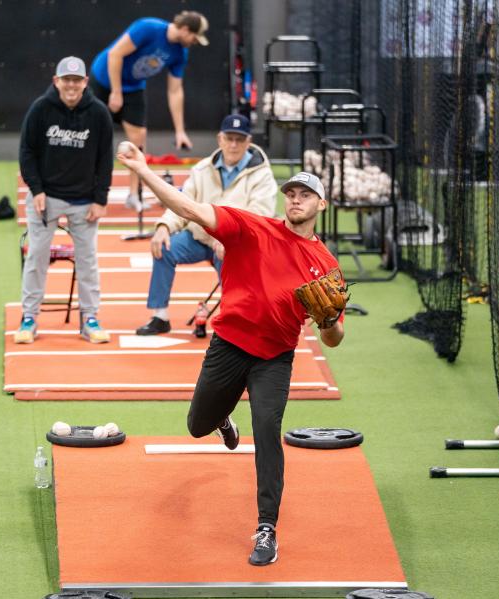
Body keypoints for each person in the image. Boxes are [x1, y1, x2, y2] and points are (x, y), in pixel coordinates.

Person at [119, 141, 345, 566]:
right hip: (228, 346)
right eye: (291, 193)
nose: (296, 200)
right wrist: (143, 169)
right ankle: (222, 417)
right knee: (197, 425)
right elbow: (190, 209)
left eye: (305, 195)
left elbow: (333, 339)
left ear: (322, 203)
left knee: (267, 428)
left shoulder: (327, 265)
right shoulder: (252, 227)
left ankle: (266, 528)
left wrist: (330, 321)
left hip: (274, 358)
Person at [136, 114, 278, 335]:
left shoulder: (262, 175)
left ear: (248, 142)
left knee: (230, 259)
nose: (233, 144)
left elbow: (261, 216)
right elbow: (183, 204)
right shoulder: (202, 169)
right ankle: (160, 316)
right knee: (163, 248)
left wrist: (231, 237)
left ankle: (235, 319)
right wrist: (164, 226)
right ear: (219, 139)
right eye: (229, 138)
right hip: (199, 237)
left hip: (235, 244)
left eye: (239, 140)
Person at [16, 56, 114, 344]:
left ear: (85, 82)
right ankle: (29, 317)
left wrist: (100, 199)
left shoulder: (98, 113)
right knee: (36, 257)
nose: (71, 86)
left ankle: (90, 319)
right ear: (56, 81)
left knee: (88, 260)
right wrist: (36, 190)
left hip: (84, 200)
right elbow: (27, 152)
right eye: (66, 80)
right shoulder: (40, 109)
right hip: (46, 198)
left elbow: (104, 159)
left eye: (76, 80)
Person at [89, 11, 209, 212]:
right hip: (104, 79)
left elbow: (175, 90)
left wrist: (180, 130)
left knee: (139, 138)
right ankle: (86, 190)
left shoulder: (181, 53)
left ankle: (134, 195)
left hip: (133, 88)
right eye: (194, 38)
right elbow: (115, 54)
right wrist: (116, 92)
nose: (194, 42)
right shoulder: (148, 28)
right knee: (94, 136)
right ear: (186, 29)